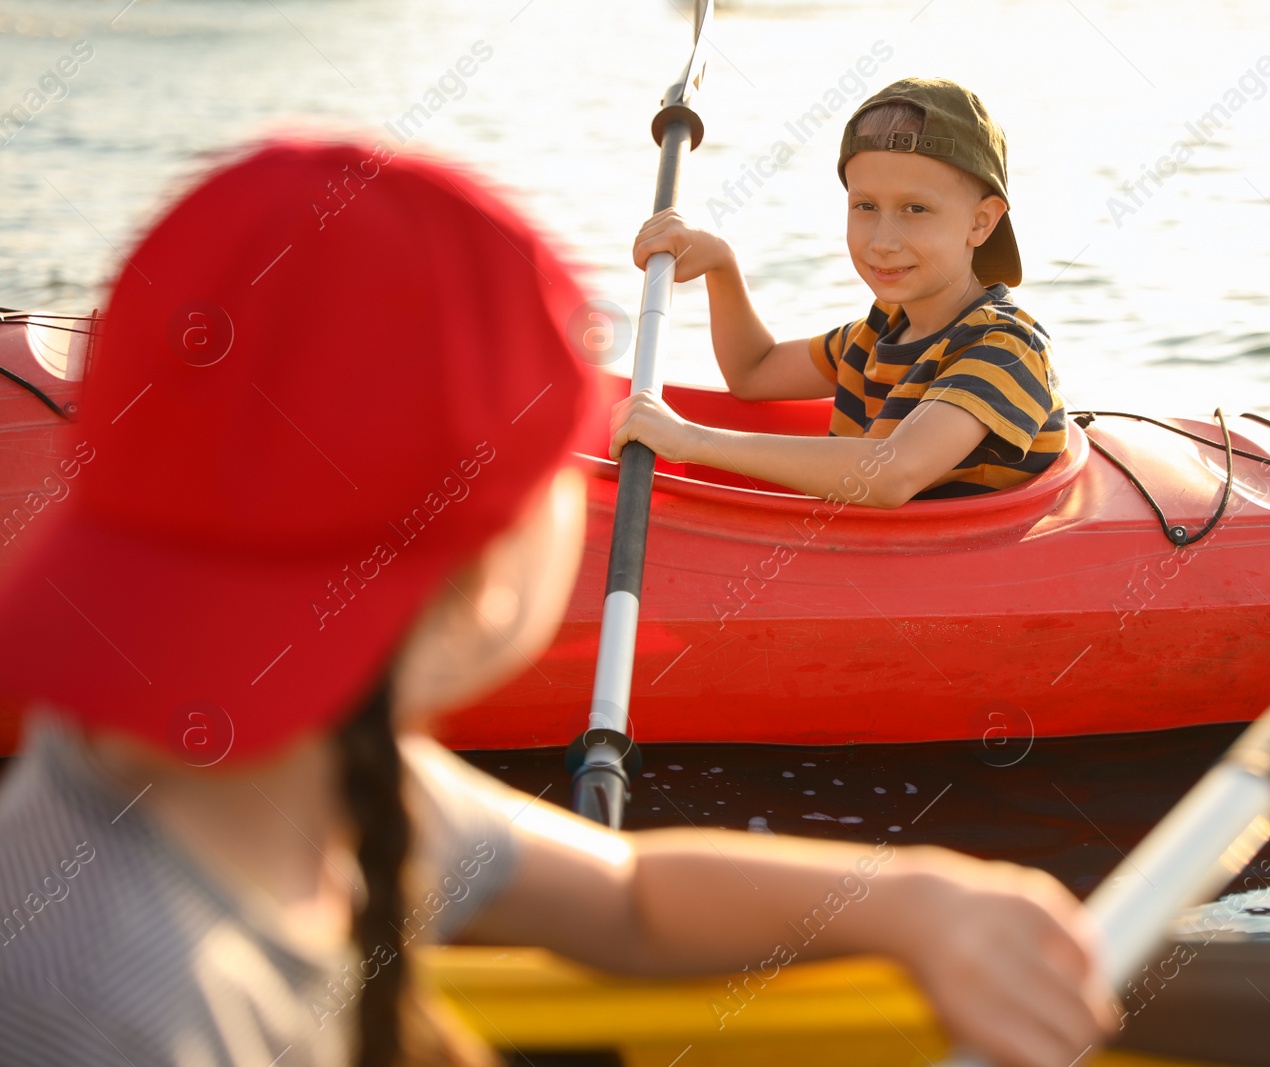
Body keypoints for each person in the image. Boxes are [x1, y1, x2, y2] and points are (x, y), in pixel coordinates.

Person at [0, 140, 1112, 1067]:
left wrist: (916, 900)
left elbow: (627, 898)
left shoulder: (280, 766)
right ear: (485, 581)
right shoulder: (121, 1013)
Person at [610, 77, 1069, 506]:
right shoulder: (878, 333)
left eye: (916, 208)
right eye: (865, 206)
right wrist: (721, 264)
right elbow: (754, 371)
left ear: (981, 221)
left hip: (957, 574)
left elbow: (891, 474)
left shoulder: (1006, 350)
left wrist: (690, 440)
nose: (882, 241)